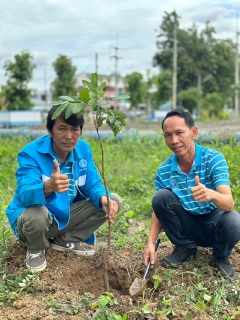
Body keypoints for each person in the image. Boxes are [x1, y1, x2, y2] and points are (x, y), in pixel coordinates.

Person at [5, 105, 121, 272]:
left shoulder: (83, 149)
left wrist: (103, 197)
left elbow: (93, 184)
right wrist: (47, 187)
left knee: (112, 200)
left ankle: (66, 240)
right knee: (38, 214)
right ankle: (36, 248)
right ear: (50, 131)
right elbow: (24, 194)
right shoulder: (31, 154)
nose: (68, 136)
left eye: (74, 129)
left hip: (63, 217)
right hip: (35, 220)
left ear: (80, 131)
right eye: (62, 129)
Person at [144, 108, 240, 279]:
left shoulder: (213, 159)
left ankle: (221, 255)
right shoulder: (164, 170)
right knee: (160, 197)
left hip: (213, 223)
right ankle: (185, 247)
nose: (174, 140)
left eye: (179, 133)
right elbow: (159, 210)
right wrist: (150, 243)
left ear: (193, 132)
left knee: (233, 219)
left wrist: (212, 195)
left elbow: (229, 203)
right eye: (168, 135)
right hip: (187, 223)